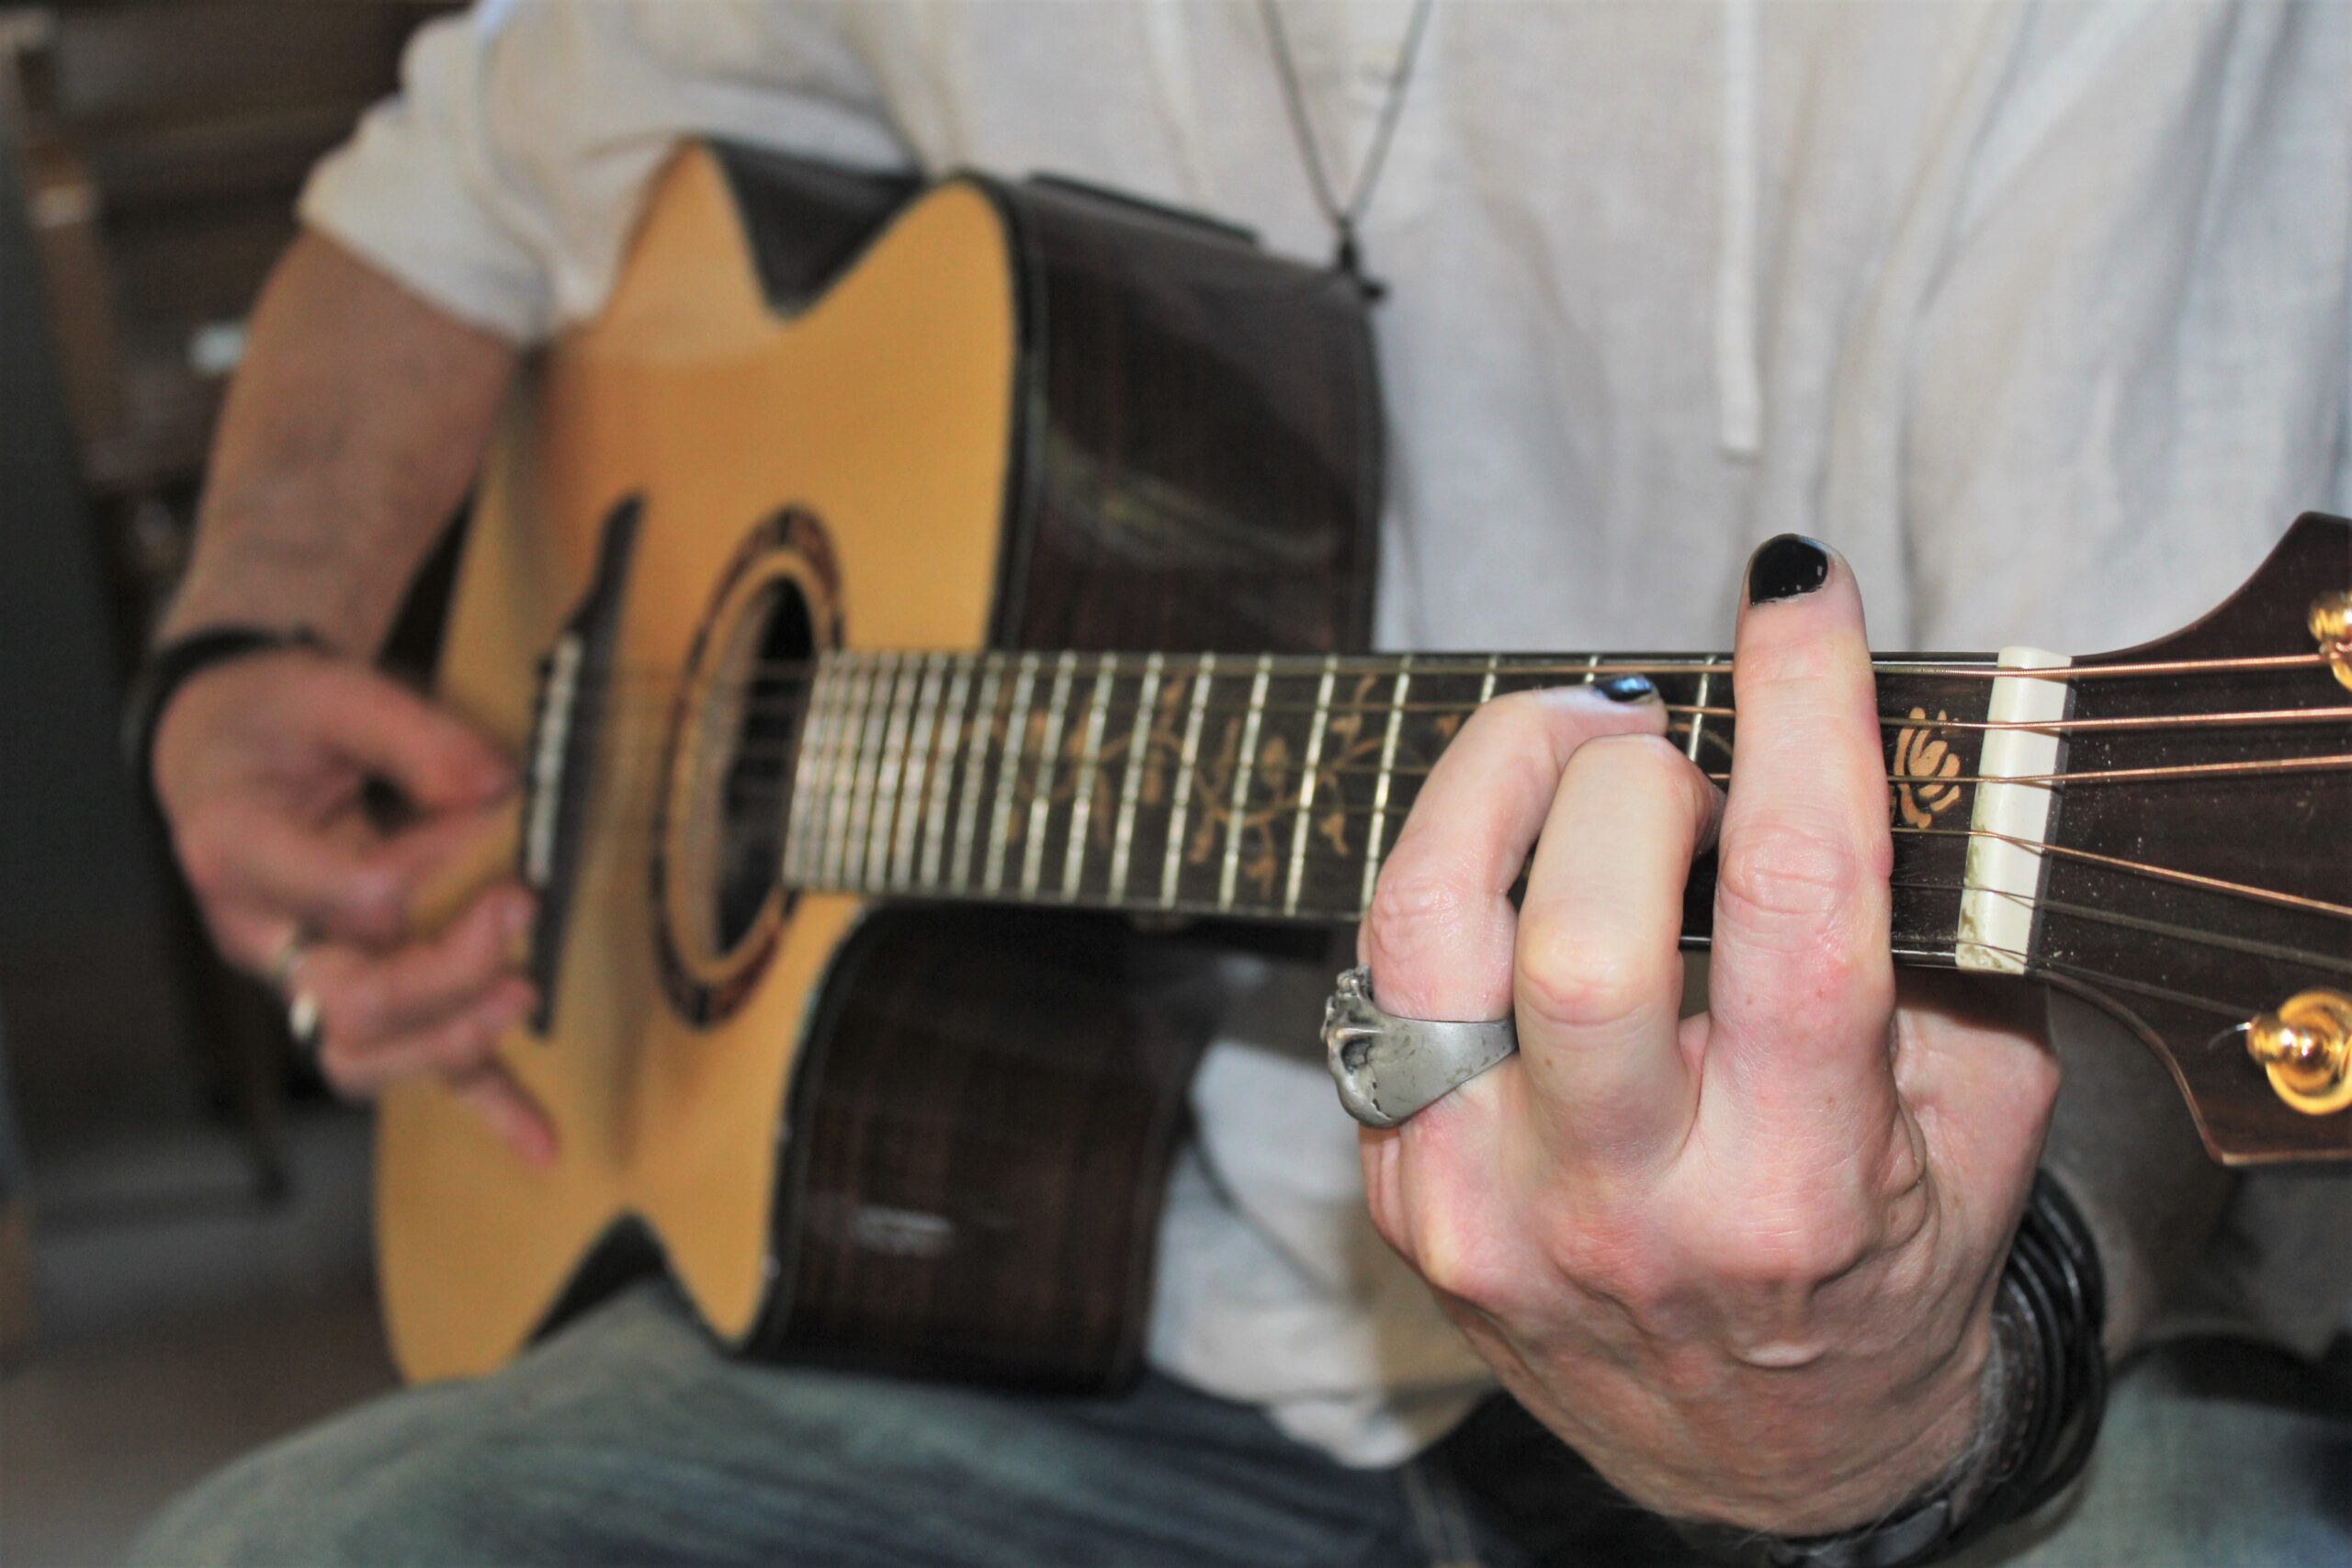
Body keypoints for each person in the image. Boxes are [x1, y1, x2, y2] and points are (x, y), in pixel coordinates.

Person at [132, 3, 2348, 1564]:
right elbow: (445, 194)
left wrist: (1870, 1396)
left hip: (1896, 1341)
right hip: (1051, 1272)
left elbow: (2114, 1023)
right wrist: (249, 645)